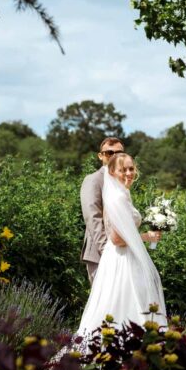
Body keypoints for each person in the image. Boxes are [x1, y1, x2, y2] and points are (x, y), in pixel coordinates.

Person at [76, 153, 167, 337]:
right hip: (121, 258)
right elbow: (117, 239)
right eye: (122, 169)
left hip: (124, 256)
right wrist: (146, 237)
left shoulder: (120, 193)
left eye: (131, 168)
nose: (128, 173)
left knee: (129, 305)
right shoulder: (118, 197)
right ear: (111, 172)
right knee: (124, 304)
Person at [80, 137, 125, 284]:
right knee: (104, 305)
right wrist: (107, 250)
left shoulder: (123, 181)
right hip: (100, 253)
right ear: (101, 156)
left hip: (122, 251)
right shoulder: (93, 180)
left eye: (118, 153)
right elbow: (92, 216)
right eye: (109, 153)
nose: (114, 156)